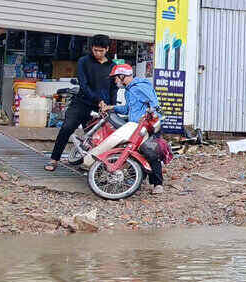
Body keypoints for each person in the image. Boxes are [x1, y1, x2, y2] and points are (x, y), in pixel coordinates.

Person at [84, 63, 164, 194]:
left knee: (150, 152)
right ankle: (135, 178)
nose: (115, 81)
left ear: (122, 76)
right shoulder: (128, 90)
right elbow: (128, 109)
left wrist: (150, 112)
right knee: (132, 150)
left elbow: (154, 102)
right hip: (136, 127)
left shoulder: (141, 86)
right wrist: (112, 107)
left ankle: (158, 184)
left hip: (148, 125)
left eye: (116, 78)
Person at [46, 35, 113, 171]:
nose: (98, 53)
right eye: (95, 50)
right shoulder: (83, 61)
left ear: (107, 49)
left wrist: (110, 105)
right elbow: (84, 84)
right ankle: (54, 159)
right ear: (91, 48)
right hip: (81, 102)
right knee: (67, 128)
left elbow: (114, 89)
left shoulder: (112, 66)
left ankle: (90, 164)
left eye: (101, 51)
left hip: (101, 107)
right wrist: (98, 100)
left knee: (96, 137)